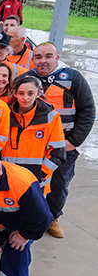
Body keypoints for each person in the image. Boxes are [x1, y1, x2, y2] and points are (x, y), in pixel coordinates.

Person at [23, 43, 95, 238]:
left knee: (59, 183)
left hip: (63, 146)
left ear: (57, 57)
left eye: (48, 56)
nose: (42, 60)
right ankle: (24, 216)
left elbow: (87, 110)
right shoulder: (26, 79)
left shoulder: (73, 78)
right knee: (28, 182)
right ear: (33, 59)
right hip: (33, 146)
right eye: (38, 57)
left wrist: (73, 142)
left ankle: (52, 217)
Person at [0, 76, 66, 196]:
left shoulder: (50, 117)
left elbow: (58, 152)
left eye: (30, 93)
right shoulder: (5, 115)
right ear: (14, 93)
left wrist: (41, 175)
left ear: (38, 93)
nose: (25, 98)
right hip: (6, 179)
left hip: (36, 182)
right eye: (21, 93)